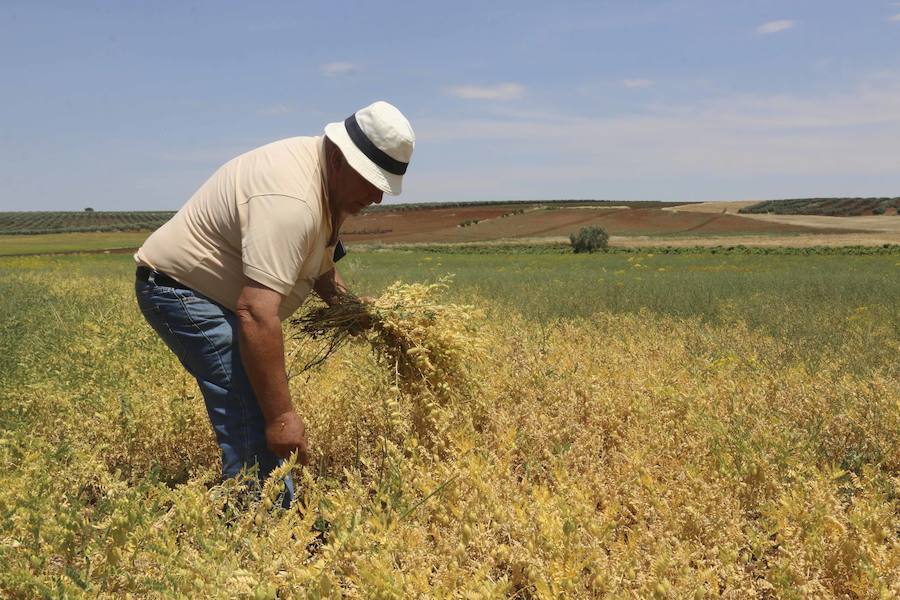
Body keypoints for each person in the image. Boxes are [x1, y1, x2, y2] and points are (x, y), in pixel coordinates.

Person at [133, 101, 415, 506]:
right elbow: (256, 312)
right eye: (371, 182)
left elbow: (319, 265)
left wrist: (353, 311)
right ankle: (258, 526)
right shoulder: (291, 199)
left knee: (259, 397)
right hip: (181, 291)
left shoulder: (327, 185)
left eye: (383, 186)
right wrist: (283, 419)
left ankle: (269, 512)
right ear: (338, 158)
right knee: (254, 408)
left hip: (222, 298)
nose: (376, 197)